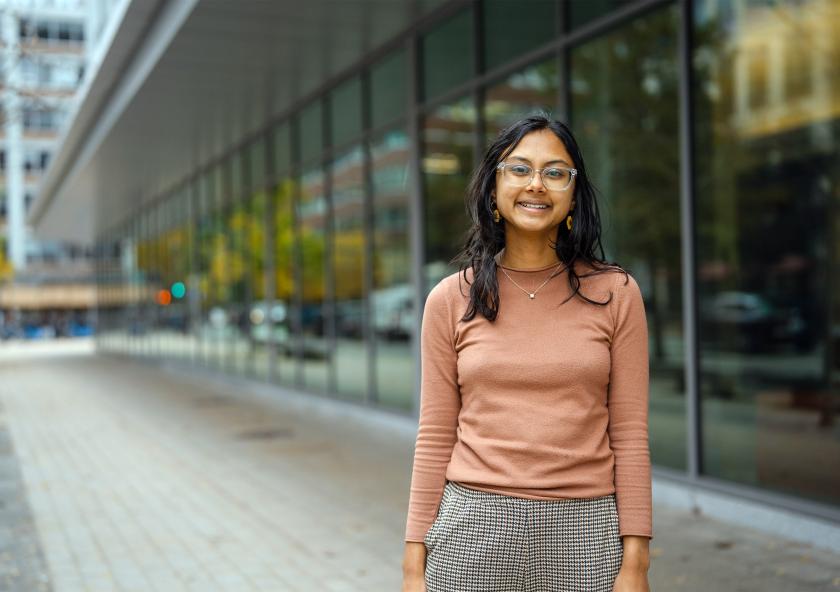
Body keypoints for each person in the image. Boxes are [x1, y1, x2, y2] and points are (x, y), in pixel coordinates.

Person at [401, 114, 652, 592]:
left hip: (587, 534)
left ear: (573, 194)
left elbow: (631, 435)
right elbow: (434, 435)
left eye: (556, 172)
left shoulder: (616, 293)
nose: (536, 184)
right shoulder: (451, 299)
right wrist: (414, 563)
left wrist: (636, 561)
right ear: (493, 186)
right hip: (473, 530)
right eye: (519, 169)